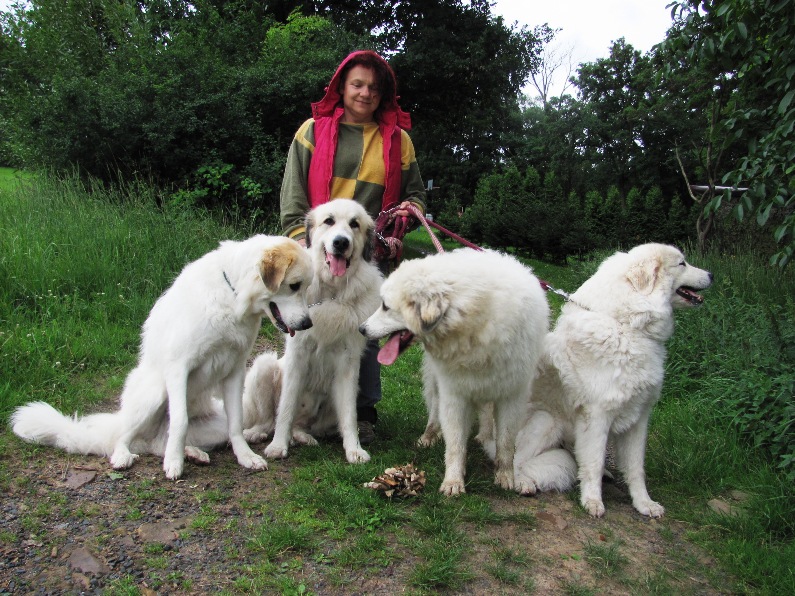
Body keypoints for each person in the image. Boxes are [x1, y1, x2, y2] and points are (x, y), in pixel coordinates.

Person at [279, 50, 427, 444]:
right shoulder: (310, 131)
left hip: (368, 253)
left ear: (384, 95)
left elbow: (415, 197)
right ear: (341, 87)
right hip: (316, 251)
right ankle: (300, 407)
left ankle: (362, 413)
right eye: (357, 84)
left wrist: (404, 220)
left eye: (374, 88)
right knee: (305, 328)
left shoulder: (400, 141)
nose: (365, 93)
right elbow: (293, 197)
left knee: (365, 327)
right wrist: (300, 249)